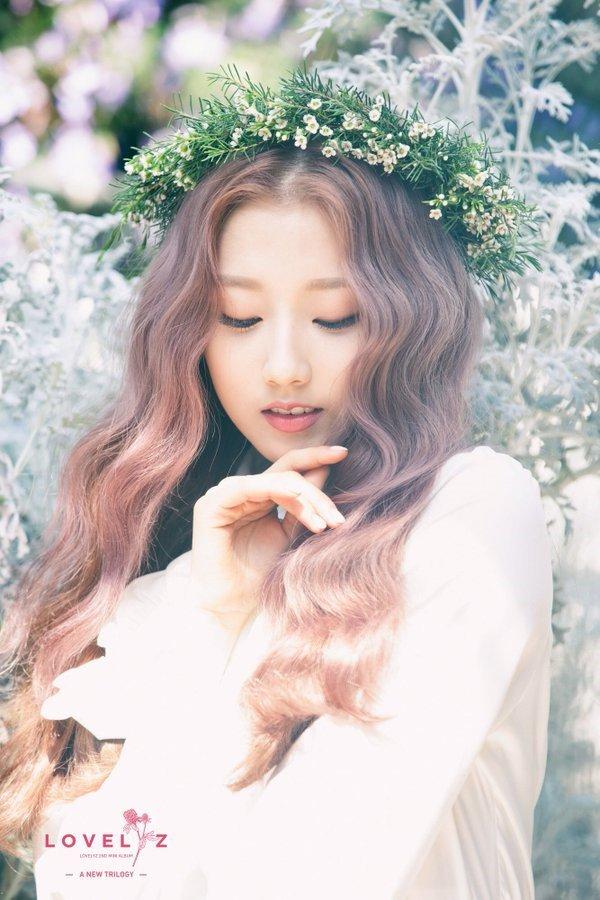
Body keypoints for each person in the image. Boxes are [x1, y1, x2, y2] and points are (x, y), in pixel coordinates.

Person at [0, 68, 553, 899]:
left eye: (336, 317)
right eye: (240, 318)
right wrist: (224, 620)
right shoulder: (188, 578)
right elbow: (92, 880)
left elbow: (315, 877)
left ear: (413, 324)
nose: (285, 365)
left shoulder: (472, 514)